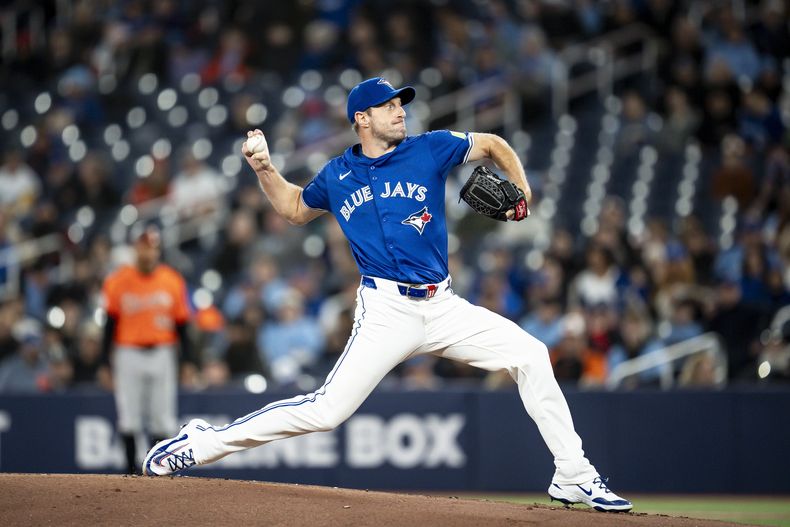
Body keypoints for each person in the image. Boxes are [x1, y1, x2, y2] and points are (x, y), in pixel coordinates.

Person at [143, 77, 632, 512]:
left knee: (531, 354)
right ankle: (204, 443)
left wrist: (521, 193)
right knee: (326, 411)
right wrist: (264, 169)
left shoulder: (430, 147)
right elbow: (294, 209)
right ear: (362, 118)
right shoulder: (338, 175)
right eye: (389, 106)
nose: (401, 111)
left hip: (443, 306)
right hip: (385, 310)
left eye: (402, 104)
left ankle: (574, 474)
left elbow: (493, 144)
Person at [101, 225, 197, 474]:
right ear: (136, 249)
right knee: (129, 415)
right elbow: (109, 325)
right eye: (144, 247)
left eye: (152, 248)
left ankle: (159, 468)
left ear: (158, 250)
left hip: (162, 351)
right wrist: (104, 362)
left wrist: (188, 361)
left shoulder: (171, 280)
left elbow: (182, 326)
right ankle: (130, 471)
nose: (148, 253)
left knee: (162, 415)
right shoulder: (118, 281)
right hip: (128, 352)